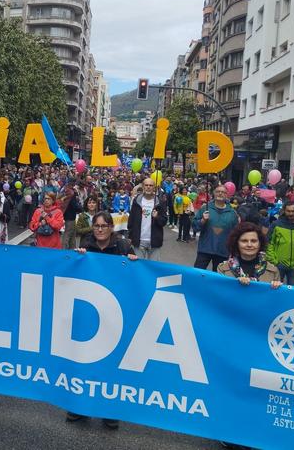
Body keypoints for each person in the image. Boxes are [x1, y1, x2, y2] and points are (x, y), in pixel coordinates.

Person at [69, 211, 137, 429]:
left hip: (115, 312)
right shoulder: (86, 243)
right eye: (96, 226)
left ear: (111, 227)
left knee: (111, 363)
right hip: (88, 312)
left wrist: (134, 263)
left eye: (104, 226)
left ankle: (109, 410)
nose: (99, 230)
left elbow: (136, 278)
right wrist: (76, 258)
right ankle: (79, 406)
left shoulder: (124, 246)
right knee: (84, 360)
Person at [217, 222, 281, 288]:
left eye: (253, 241)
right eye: (244, 241)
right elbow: (219, 293)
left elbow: (276, 297)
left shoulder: (273, 271)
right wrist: (236, 284)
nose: (249, 245)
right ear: (236, 243)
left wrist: (277, 288)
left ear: (260, 243)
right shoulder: (222, 269)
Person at [192, 185, 239, 272]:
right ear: (214, 193)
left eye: (223, 192)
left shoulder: (232, 213)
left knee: (218, 278)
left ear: (227, 195)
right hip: (205, 249)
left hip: (223, 251)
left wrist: (233, 252)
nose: (220, 193)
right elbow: (194, 226)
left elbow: (236, 234)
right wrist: (202, 220)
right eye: (218, 191)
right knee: (197, 274)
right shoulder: (205, 208)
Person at [265, 202, 294, 286]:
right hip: (279, 265)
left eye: (293, 211)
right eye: (288, 211)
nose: (291, 213)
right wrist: (274, 261)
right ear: (284, 211)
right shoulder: (276, 224)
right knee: (275, 290)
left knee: (293, 292)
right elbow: (268, 243)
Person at [126, 178, 168, 261]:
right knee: (139, 267)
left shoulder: (159, 202)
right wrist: (130, 236)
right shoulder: (137, 200)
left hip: (154, 242)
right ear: (143, 187)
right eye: (146, 185)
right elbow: (131, 219)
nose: (148, 187)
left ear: (154, 188)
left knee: (153, 268)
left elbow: (164, 221)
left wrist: (157, 217)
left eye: (151, 185)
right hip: (139, 241)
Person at [59, 182, 83, 250]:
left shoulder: (67, 192)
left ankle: (72, 248)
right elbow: (74, 205)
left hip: (69, 216)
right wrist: (82, 208)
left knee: (72, 233)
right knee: (68, 233)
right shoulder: (71, 194)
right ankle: (63, 249)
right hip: (70, 217)